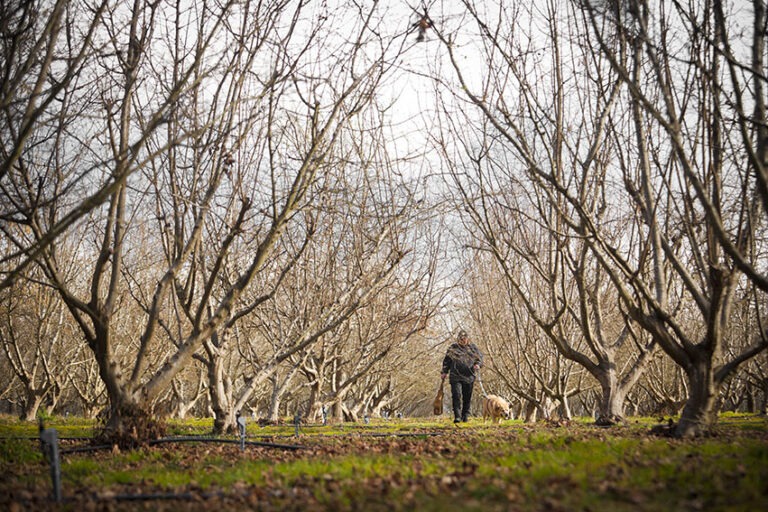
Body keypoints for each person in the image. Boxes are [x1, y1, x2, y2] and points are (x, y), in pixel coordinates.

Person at [441, 329, 483, 423]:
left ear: (467, 339)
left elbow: (479, 359)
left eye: (464, 338)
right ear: (458, 339)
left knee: (467, 397)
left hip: (469, 376)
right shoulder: (453, 348)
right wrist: (444, 372)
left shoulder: (473, 348)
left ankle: (465, 416)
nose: (462, 340)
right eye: (461, 338)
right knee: (456, 395)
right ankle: (457, 416)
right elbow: (446, 361)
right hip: (455, 376)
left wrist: (478, 364)